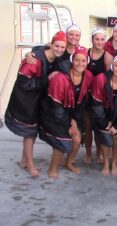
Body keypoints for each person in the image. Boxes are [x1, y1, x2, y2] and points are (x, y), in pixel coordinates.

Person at [5, 31, 67, 177]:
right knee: (29, 133)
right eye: (56, 45)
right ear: (51, 44)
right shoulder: (36, 60)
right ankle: (30, 165)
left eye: (62, 47)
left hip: (35, 100)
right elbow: (23, 82)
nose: (59, 49)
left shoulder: (55, 58)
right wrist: (46, 79)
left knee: (31, 132)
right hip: (25, 101)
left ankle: (24, 161)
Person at [38, 45, 93, 179]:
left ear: (87, 62)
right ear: (72, 61)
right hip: (53, 112)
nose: (80, 63)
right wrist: (68, 124)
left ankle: (68, 162)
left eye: (83, 60)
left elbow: (81, 103)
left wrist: (74, 120)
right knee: (62, 140)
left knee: (77, 139)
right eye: (77, 60)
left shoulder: (88, 77)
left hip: (70, 114)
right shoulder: (60, 79)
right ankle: (53, 167)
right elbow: (56, 106)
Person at [91, 55, 117, 176]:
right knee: (105, 136)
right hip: (102, 114)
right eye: (116, 66)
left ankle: (114, 163)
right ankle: (106, 163)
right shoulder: (101, 79)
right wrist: (105, 123)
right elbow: (96, 104)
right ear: (112, 67)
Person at [83, 27, 113, 164]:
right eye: (97, 39)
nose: (100, 42)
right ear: (92, 40)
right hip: (86, 95)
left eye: (102, 39)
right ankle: (88, 153)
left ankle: (99, 153)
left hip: (99, 97)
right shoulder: (85, 53)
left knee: (99, 126)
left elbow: (108, 81)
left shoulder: (108, 57)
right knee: (88, 126)